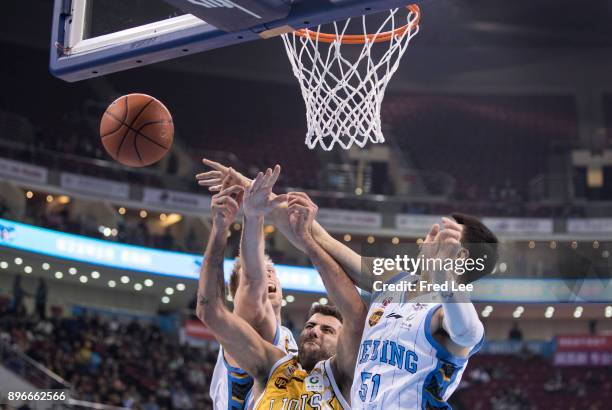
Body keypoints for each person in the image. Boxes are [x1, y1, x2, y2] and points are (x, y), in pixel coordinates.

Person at [197, 160, 498, 409]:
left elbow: (468, 333)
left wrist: (445, 278)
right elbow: (318, 237)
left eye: (446, 234)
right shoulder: (391, 280)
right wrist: (249, 189)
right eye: (436, 229)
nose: (432, 235)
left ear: (462, 256)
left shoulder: (445, 314)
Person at [196, 169, 367, 409]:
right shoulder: (273, 363)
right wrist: (221, 229)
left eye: (327, 330)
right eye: (310, 325)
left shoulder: (345, 378)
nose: (314, 331)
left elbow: (356, 315)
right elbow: (211, 309)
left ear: (344, 345)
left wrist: (305, 239)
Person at [206, 165, 298, 410]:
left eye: (273, 273)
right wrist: (253, 215)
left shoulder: (288, 337)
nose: (269, 276)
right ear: (237, 296)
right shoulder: (247, 319)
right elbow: (251, 281)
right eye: (263, 271)